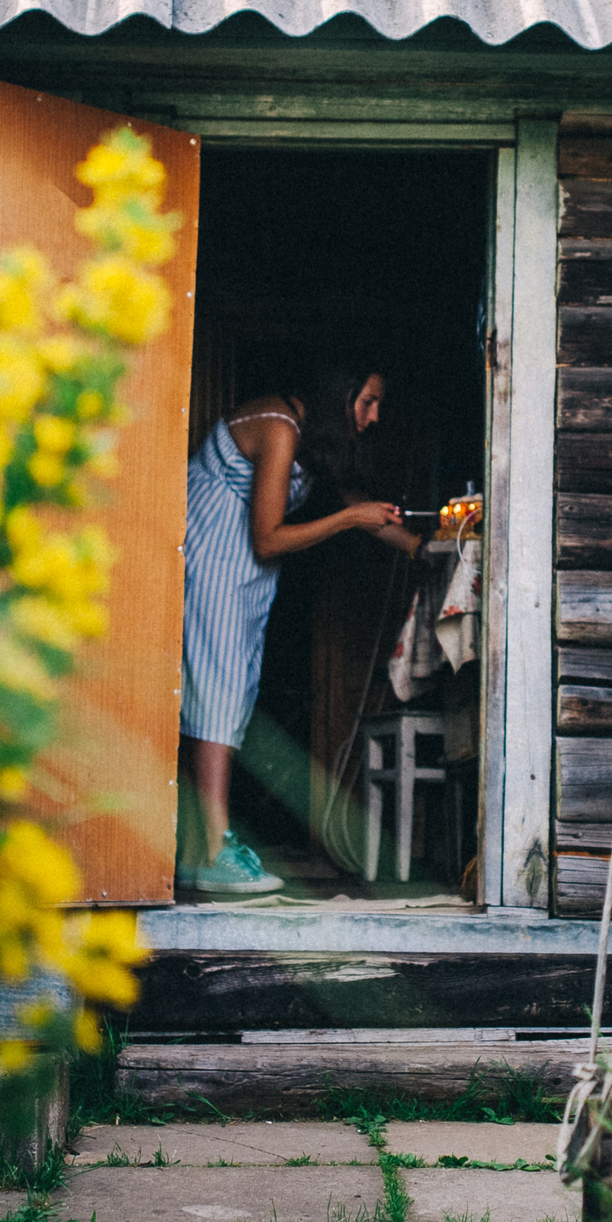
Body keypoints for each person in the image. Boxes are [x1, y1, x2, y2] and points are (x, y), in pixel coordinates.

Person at [179, 363, 427, 893]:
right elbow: (268, 538)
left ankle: (198, 850)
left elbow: (361, 510)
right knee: (215, 706)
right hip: (212, 569)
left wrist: (423, 549)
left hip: (240, 579)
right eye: (368, 401)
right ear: (342, 393)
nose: (374, 415)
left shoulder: (314, 443)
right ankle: (215, 851)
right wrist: (347, 521)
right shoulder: (278, 427)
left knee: (229, 704)